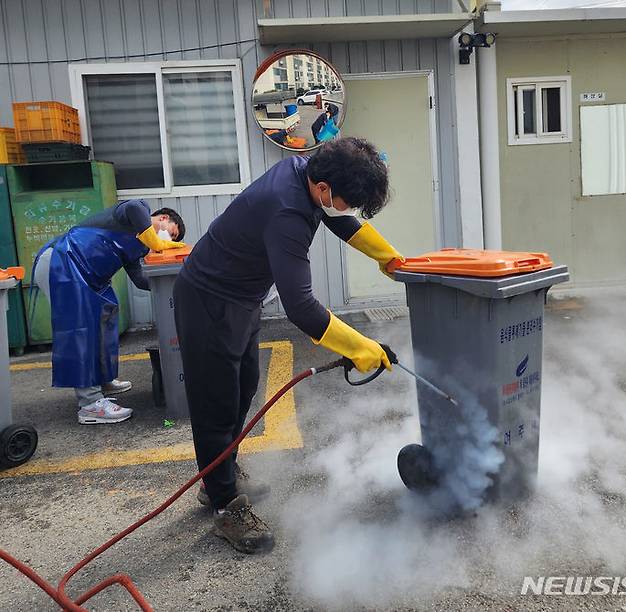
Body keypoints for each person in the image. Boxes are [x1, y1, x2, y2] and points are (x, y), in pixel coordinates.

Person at [173, 137, 403, 554]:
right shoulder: (286, 211)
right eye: (346, 200)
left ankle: (219, 471)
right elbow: (301, 308)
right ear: (323, 189)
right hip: (209, 300)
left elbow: (339, 218)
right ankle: (224, 504)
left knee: (243, 387)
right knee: (217, 405)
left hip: (240, 298)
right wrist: (359, 345)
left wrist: (387, 256)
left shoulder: (310, 173)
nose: (347, 209)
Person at [33, 200, 186, 425]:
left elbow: (142, 280)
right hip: (62, 263)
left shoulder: (140, 247)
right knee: (82, 329)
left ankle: (102, 380)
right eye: (171, 233)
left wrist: (175, 280)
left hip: (89, 278)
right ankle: (90, 404)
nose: (168, 240)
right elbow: (134, 209)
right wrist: (155, 240)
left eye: (172, 240)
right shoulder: (136, 211)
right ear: (163, 218)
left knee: (106, 317)